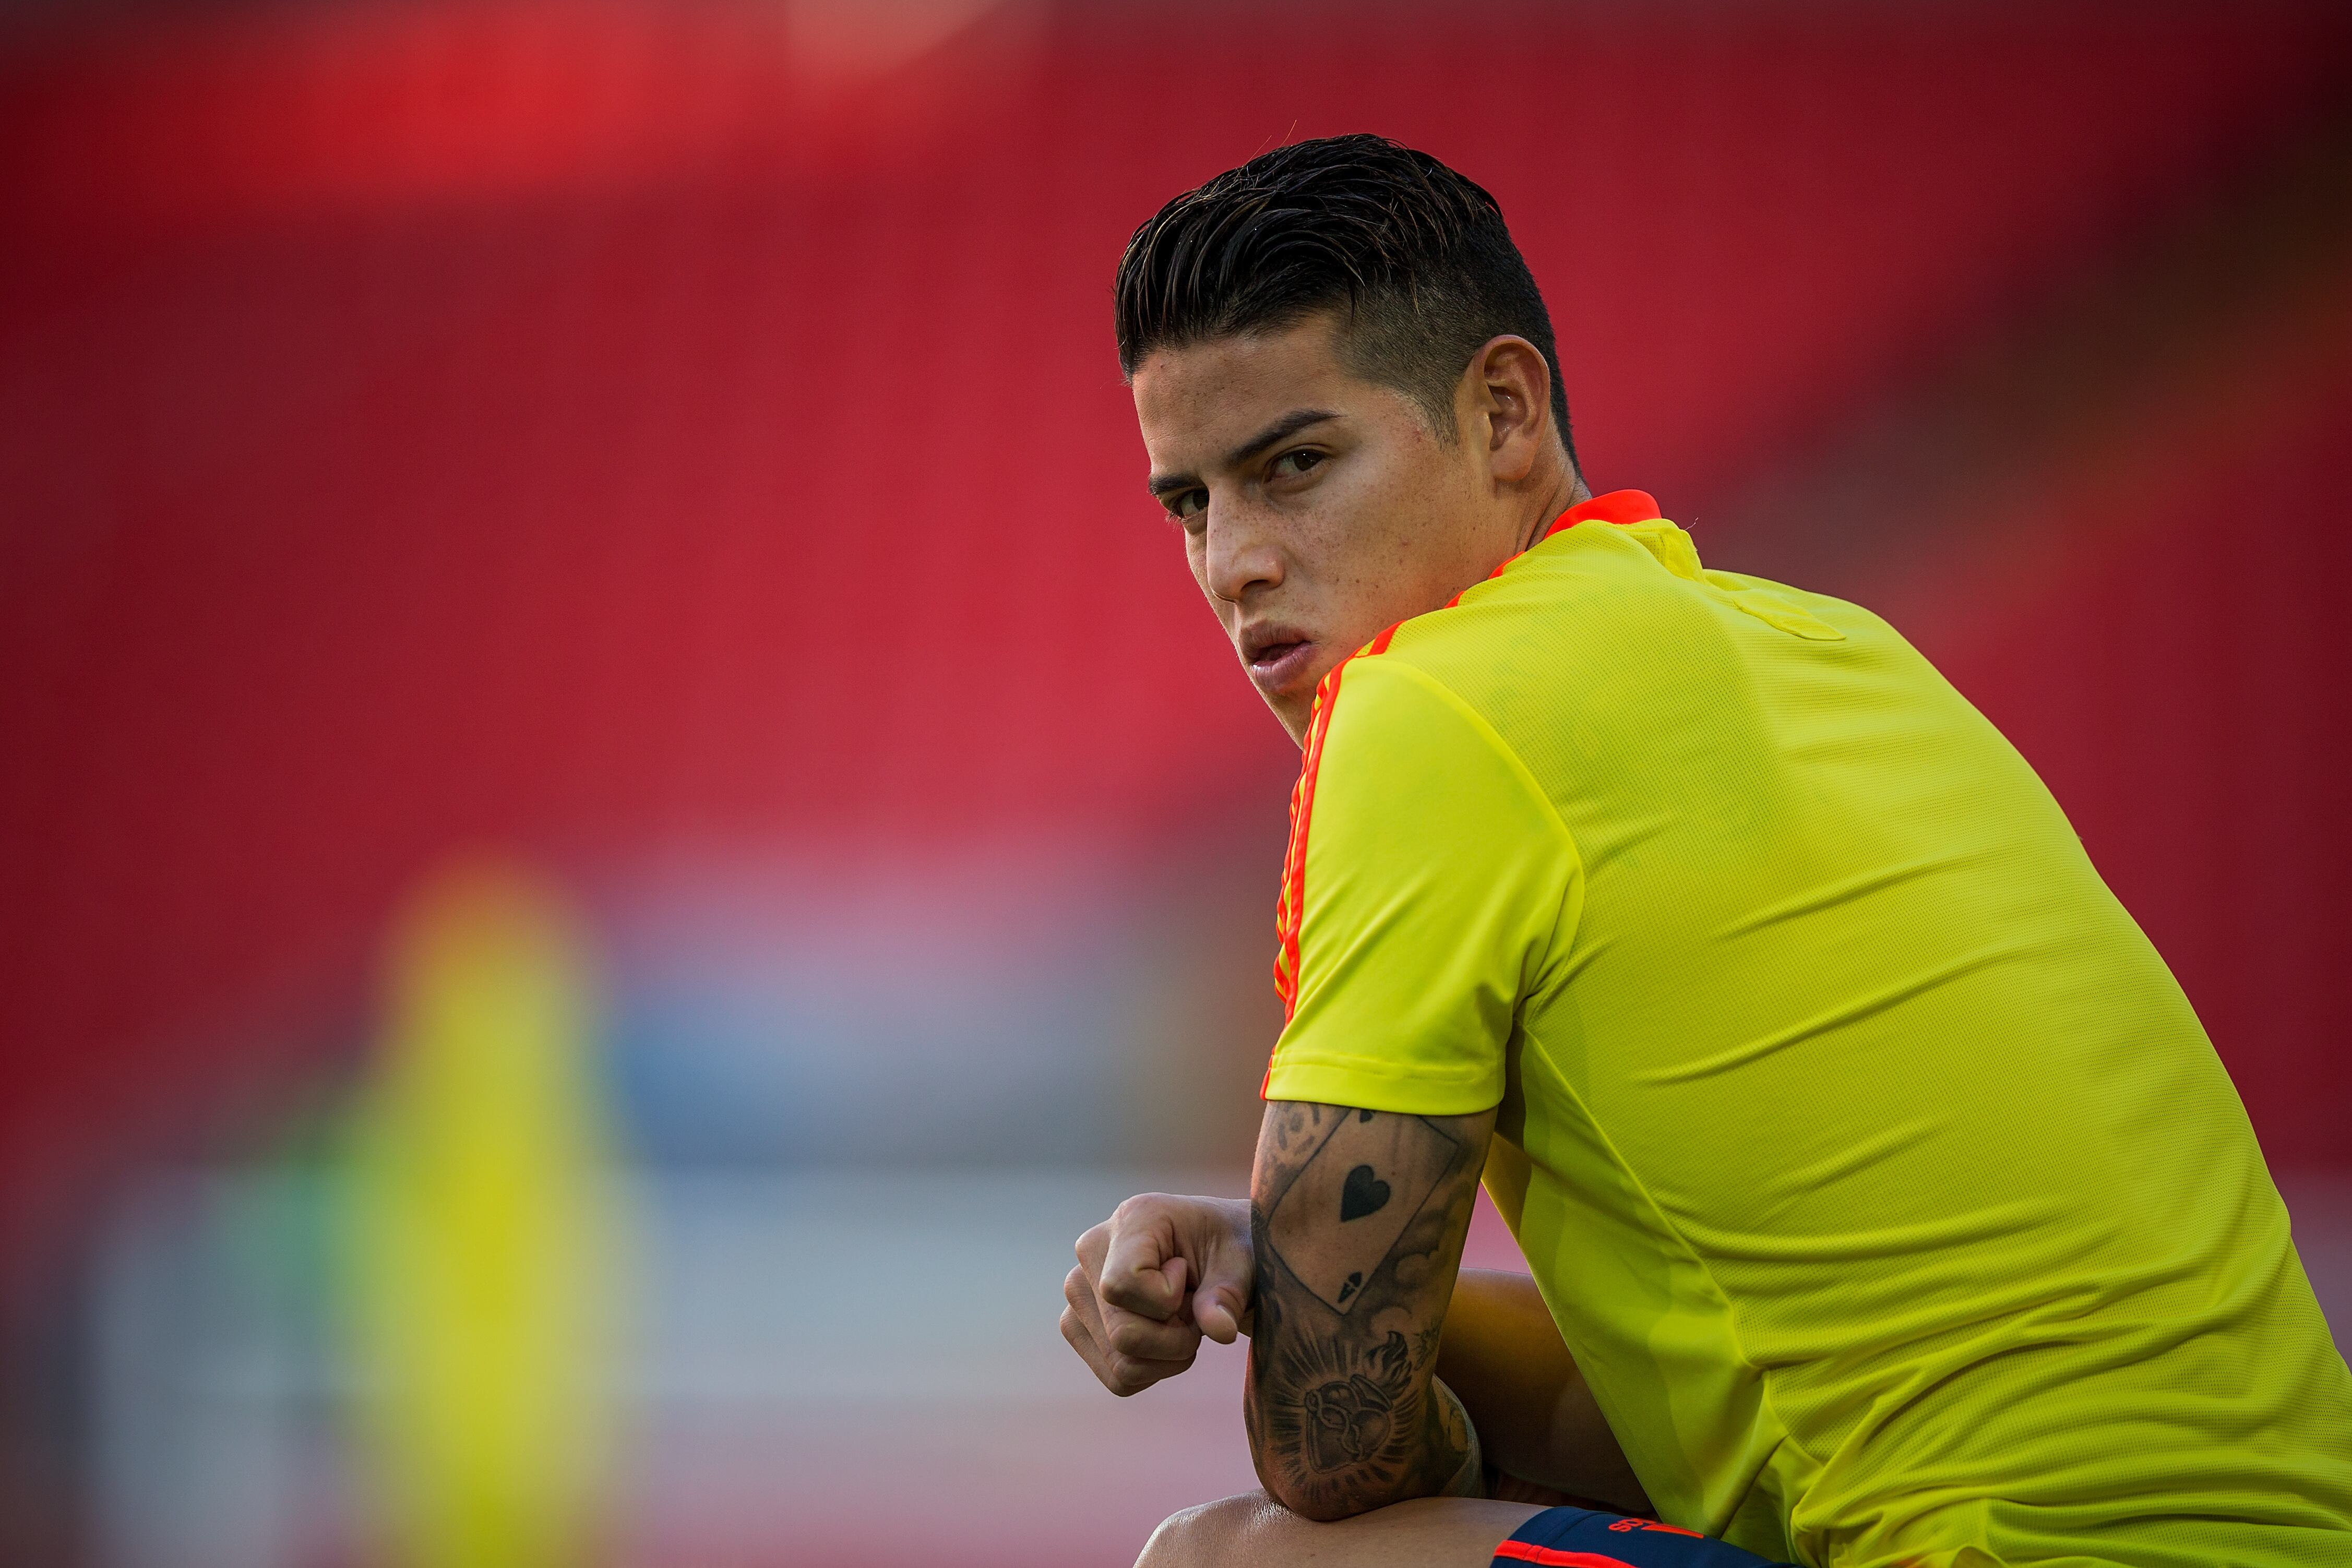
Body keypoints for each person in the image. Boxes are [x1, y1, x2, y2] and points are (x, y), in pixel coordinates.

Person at [1056, 134, 2352, 1568]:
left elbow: (1327, 1453)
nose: (1232, 559)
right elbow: (1756, 1382)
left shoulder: (1432, 708)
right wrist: (1291, 1254)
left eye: (1292, 464)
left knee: (1231, 1560)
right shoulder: (1842, 651)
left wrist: (1321, 1308)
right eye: (1189, 502)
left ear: (1500, 410)